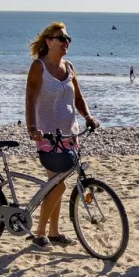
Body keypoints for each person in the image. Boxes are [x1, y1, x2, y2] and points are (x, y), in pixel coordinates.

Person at [25, 21, 98, 250]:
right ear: (49, 41)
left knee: (57, 183)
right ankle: (39, 233)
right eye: (61, 38)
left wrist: (87, 116)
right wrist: (31, 127)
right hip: (47, 136)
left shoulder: (69, 66)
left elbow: (78, 98)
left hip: (69, 134)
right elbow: (29, 98)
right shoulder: (39, 67)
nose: (66, 42)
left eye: (68, 39)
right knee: (58, 186)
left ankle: (54, 232)